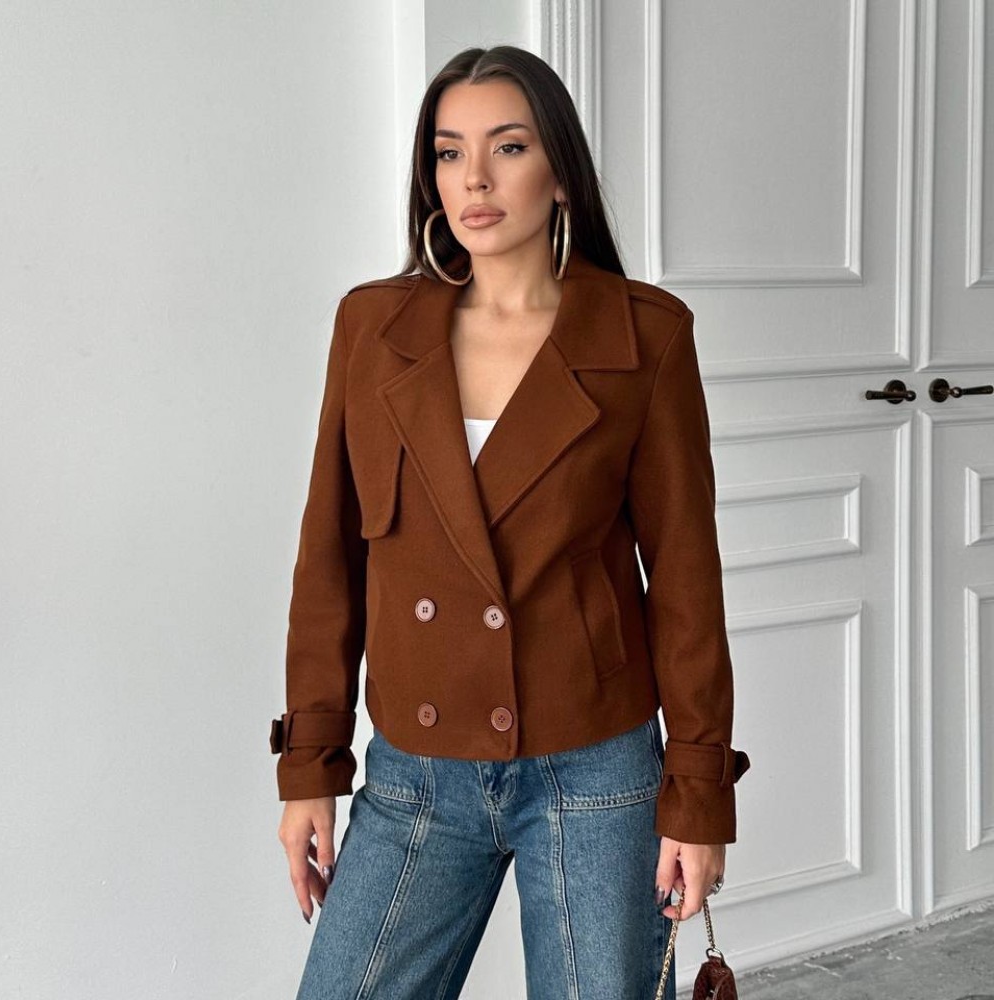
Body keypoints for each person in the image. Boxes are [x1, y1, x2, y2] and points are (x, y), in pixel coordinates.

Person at [270, 44, 750, 1000]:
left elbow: (685, 583)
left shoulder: (645, 336)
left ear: (560, 171)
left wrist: (698, 796)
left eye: (509, 146)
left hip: (595, 769)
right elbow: (328, 559)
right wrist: (309, 765)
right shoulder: (373, 328)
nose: (475, 179)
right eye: (449, 153)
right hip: (416, 770)